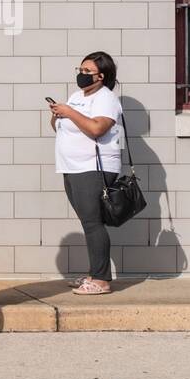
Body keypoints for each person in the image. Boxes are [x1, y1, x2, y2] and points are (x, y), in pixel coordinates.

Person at [51, 52, 122, 295]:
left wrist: (69, 112)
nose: (81, 75)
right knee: (88, 221)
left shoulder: (106, 98)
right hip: (71, 167)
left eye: (87, 72)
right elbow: (58, 127)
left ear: (101, 77)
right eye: (79, 70)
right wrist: (58, 114)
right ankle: (94, 273)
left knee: (93, 223)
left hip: (93, 167)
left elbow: (97, 128)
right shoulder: (77, 96)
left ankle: (101, 281)